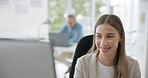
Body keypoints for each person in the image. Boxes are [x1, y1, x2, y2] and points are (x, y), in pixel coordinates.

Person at [74, 14, 141, 78]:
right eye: (99, 36)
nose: (103, 43)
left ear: (120, 37)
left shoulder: (133, 66)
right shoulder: (82, 63)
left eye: (109, 36)